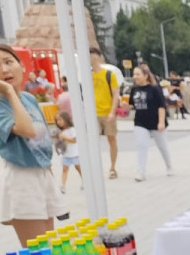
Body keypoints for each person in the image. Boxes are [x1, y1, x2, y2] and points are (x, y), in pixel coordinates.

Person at [0, 43, 67, 246]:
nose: (4, 69)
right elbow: (27, 131)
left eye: (8, 62)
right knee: (38, 253)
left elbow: (41, 142)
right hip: (21, 179)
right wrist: (8, 91)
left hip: (42, 174)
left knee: (50, 249)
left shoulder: (28, 99)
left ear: (22, 65)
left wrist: (51, 180)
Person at [129, 63, 172, 181]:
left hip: (156, 122)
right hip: (140, 122)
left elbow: (161, 106)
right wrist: (126, 106)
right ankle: (141, 172)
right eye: (134, 74)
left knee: (162, 146)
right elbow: (132, 105)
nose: (135, 77)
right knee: (141, 145)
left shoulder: (154, 88)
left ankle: (169, 166)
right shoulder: (134, 89)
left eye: (138, 74)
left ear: (146, 75)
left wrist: (161, 122)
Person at [89, 47, 122, 179]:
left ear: (98, 57)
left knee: (111, 139)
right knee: (93, 141)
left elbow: (115, 94)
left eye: (93, 56)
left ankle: (112, 167)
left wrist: (112, 111)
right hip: (94, 113)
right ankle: (95, 167)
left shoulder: (109, 74)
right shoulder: (88, 75)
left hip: (107, 111)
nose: (91, 59)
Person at [53, 110, 82, 192]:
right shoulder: (59, 131)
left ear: (66, 119)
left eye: (60, 120)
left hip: (75, 154)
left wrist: (64, 137)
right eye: (57, 120)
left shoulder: (72, 130)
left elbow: (74, 140)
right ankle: (63, 186)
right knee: (65, 169)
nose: (59, 122)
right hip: (66, 154)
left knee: (79, 168)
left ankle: (85, 181)